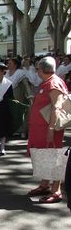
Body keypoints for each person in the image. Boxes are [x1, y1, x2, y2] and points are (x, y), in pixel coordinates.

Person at [27, 56, 69, 203]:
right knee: (43, 155)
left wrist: (51, 129)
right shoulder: (47, 82)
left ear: (43, 69)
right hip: (40, 128)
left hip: (48, 128)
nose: (36, 70)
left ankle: (56, 191)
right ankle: (44, 185)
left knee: (53, 156)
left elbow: (57, 107)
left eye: (37, 68)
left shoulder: (54, 83)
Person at [6, 58, 32, 138]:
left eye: (10, 63)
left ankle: (23, 131)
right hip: (8, 95)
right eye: (8, 63)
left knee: (19, 113)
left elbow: (26, 85)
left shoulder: (20, 72)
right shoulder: (6, 73)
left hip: (18, 95)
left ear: (15, 65)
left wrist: (30, 95)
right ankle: (12, 130)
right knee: (10, 113)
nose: (8, 65)